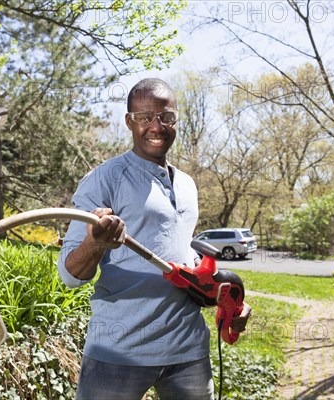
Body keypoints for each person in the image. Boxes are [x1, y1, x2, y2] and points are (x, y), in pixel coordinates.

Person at [57, 78, 251, 400]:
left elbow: (184, 258)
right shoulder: (103, 179)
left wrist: (225, 299)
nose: (156, 127)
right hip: (117, 353)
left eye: (166, 116)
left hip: (188, 352)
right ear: (129, 121)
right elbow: (69, 275)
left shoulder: (187, 184)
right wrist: (95, 243)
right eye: (145, 117)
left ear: (175, 119)